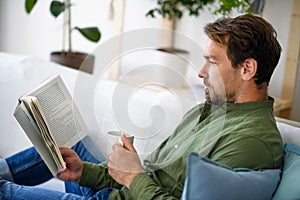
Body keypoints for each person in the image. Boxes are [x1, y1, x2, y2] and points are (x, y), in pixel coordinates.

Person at [0, 13, 283, 199]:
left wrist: (133, 175)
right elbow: (154, 176)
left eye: (212, 61)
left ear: (247, 68)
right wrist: (84, 172)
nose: (200, 72)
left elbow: (145, 182)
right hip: (113, 192)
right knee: (70, 144)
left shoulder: (251, 142)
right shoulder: (208, 111)